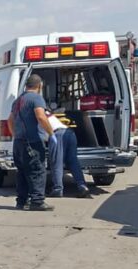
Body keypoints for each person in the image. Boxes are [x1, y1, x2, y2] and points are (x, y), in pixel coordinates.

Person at [7, 74, 55, 211]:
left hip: (18, 143)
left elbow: (10, 120)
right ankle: (37, 201)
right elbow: (40, 116)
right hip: (32, 142)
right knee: (37, 171)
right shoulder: (36, 98)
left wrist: (15, 135)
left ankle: (21, 202)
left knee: (22, 172)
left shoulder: (17, 101)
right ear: (39, 86)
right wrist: (51, 133)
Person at [42, 112, 92, 198]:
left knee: (57, 162)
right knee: (73, 161)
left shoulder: (36, 114)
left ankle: (57, 189)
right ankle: (82, 186)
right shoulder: (46, 113)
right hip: (69, 132)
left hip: (57, 134)